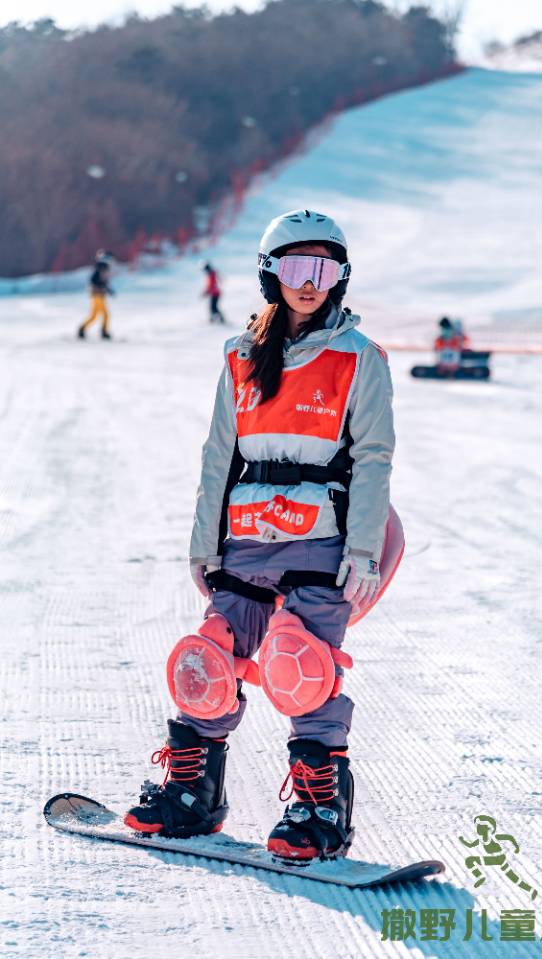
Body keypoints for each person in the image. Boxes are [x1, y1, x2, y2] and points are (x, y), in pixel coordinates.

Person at [124, 210, 396, 860]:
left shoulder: (359, 358)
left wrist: (363, 549)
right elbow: (219, 454)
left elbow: (374, 457)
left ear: (341, 276)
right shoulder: (242, 355)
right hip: (246, 537)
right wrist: (204, 544)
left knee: (304, 667)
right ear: (271, 274)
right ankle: (191, 794)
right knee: (210, 659)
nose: (310, 282)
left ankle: (319, 809)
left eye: (324, 269)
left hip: (320, 538)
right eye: (297, 267)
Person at [77, 251, 115, 340]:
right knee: (105, 314)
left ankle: (82, 329)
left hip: (98, 295)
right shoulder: (101, 268)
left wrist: (108, 289)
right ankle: (104, 332)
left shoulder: (102, 268)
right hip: (97, 296)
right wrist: (103, 287)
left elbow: (103, 282)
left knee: (94, 315)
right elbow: (94, 281)